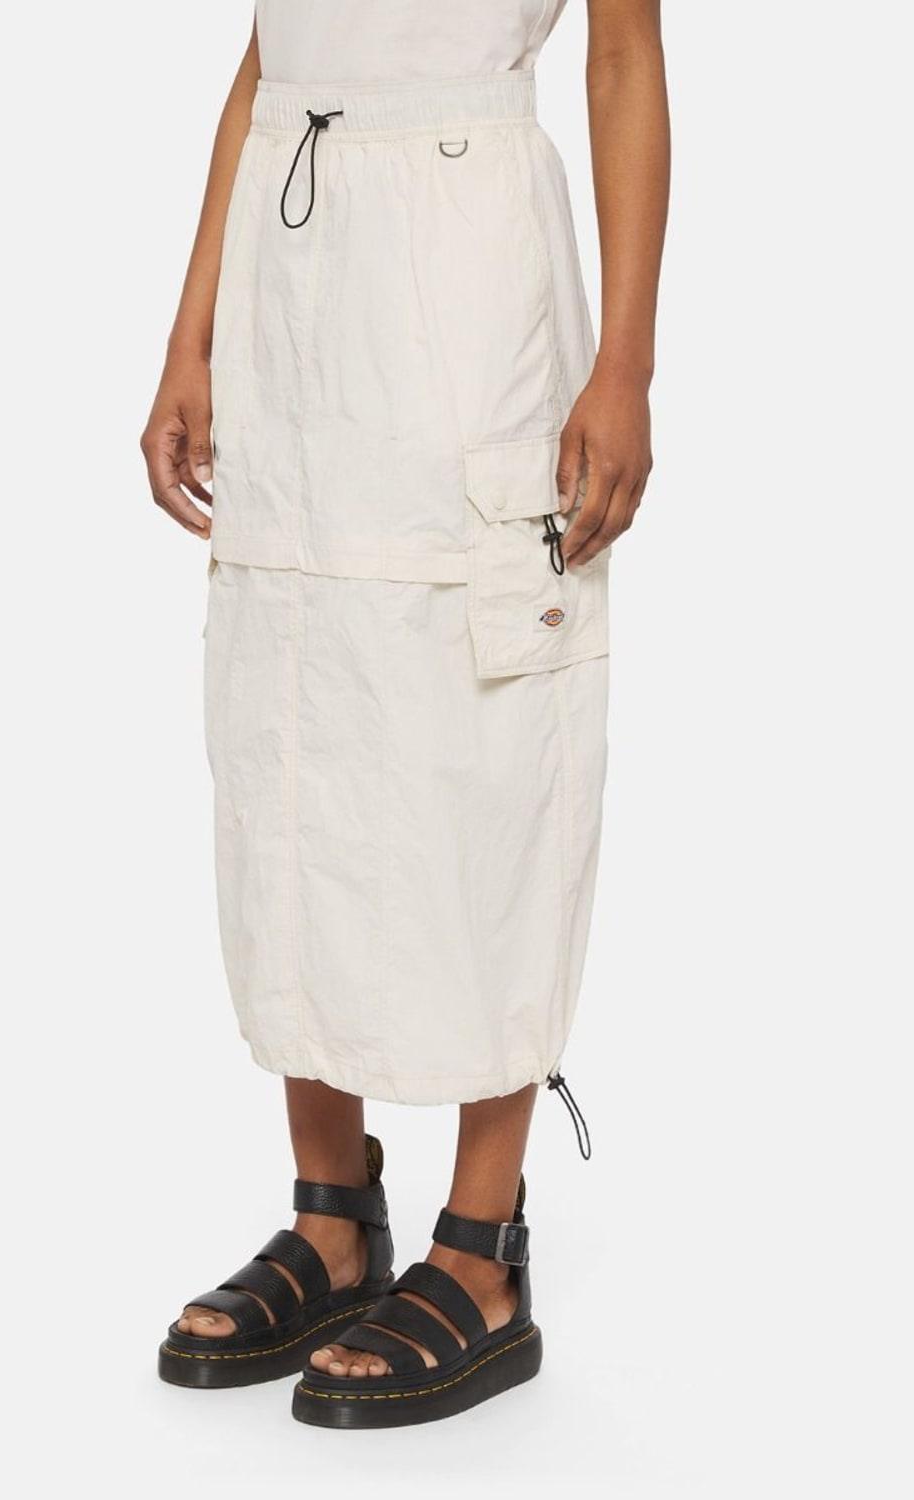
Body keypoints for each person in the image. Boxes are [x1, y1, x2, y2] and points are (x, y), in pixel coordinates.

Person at [142, 0, 669, 1429]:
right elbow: (270, 53)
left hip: (467, 259)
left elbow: (624, 51)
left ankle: (481, 1250)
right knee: (290, 722)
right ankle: (332, 1223)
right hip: (292, 269)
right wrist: (191, 335)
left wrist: (624, 363)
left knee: (483, 724)